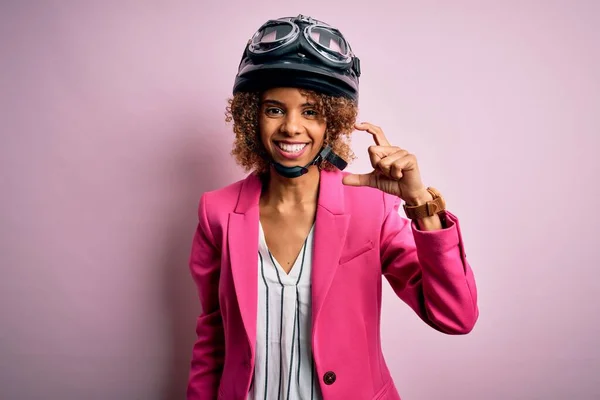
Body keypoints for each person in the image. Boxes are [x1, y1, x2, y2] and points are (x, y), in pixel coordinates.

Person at [186, 14, 478, 400]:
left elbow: (455, 317)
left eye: (310, 112)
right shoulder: (217, 211)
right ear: (252, 118)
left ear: (332, 124)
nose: (292, 127)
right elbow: (213, 336)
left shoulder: (373, 208)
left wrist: (420, 202)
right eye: (275, 109)